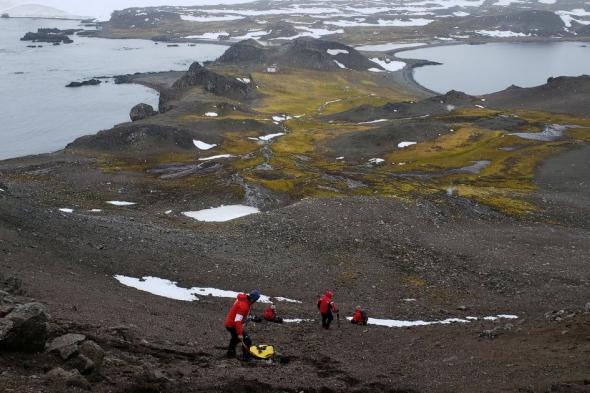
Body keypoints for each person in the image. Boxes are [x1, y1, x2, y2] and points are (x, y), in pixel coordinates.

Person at [224, 289, 260, 359]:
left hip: (229, 323)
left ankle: (230, 353)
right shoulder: (244, 306)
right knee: (247, 340)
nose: (255, 302)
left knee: (235, 338)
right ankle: (246, 358)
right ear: (253, 299)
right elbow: (238, 321)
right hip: (232, 324)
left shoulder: (243, 300)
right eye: (256, 300)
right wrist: (240, 334)